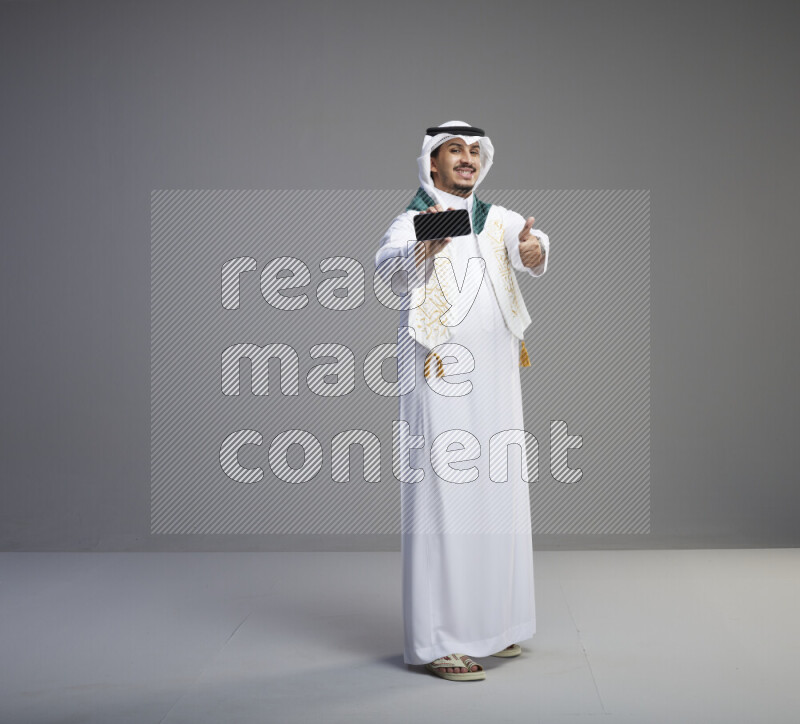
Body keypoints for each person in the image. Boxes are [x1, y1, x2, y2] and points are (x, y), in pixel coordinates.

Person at [374, 120, 550, 681]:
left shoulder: (495, 218)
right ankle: (442, 639)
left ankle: (499, 624)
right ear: (432, 163)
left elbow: (531, 249)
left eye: (474, 152)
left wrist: (534, 246)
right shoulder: (413, 220)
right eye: (455, 151)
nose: (467, 159)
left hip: (498, 371)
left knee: (498, 490)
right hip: (439, 369)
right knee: (444, 498)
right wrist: (425, 243)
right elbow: (386, 268)